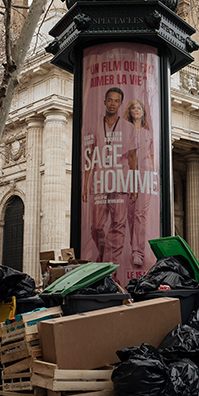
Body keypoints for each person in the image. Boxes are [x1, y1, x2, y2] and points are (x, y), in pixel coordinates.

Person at [82, 87, 138, 264]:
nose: (112, 104)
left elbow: (132, 157)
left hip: (121, 181)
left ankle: (110, 263)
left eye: (116, 101)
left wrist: (134, 184)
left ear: (121, 104)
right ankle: (106, 252)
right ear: (104, 102)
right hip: (99, 181)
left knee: (119, 225)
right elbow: (89, 157)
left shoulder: (128, 128)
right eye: (110, 100)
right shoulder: (94, 126)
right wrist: (85, 185)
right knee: (96, 226)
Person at [125, 99, 155, 268]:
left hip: (145, 174)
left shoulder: (148, 133)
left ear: (143, 112)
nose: (136, 110)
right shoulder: (126, 130)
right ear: (130, 112)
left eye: (139, 108)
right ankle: (132, 247)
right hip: (129, 173)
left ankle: (138, 252)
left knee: (140, 214)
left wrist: (154, 176)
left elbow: (152, 156)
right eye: (133, 107)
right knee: (130, 213)